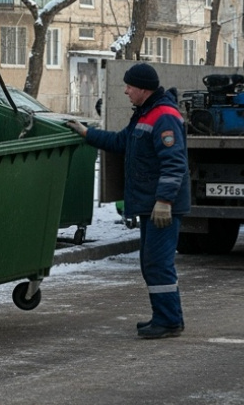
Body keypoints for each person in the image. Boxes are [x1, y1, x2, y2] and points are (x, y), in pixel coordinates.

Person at [66, 63, 189, 339]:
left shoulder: (164, 117)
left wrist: (165, 201)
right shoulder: (145, 114)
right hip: (152, 204)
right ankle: (165, 317)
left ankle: (169, 321)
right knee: (151, 262)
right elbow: (122, 142)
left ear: (143, 89)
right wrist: (87, 133)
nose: (125, 91)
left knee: (158, 262)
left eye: (129, 86)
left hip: (162, 207)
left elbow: (174, 163)